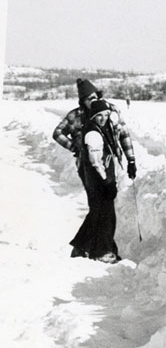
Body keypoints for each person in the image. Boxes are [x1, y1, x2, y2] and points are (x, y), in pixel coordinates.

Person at [53, 78, 137, 189]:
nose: (92, 101)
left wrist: (131, 160)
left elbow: (124, 134)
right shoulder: (76, 116)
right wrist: (74, 147)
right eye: (88, 99)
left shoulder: (111, 110)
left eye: (94, 97)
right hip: (88, 163)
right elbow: (57, 133)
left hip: (111, 161)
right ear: (83, 101)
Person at [69, 99, 124, 262]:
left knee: (97, 213)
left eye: (106, 115)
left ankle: (81, 246)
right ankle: (102, 252)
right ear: (93, 116)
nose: (103, 118)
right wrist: (107, 182)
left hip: (98, 181)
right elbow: (96, 162)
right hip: (99, 182)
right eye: (100, 115)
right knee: (106, 216)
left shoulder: (98, 129)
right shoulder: (93, 134)